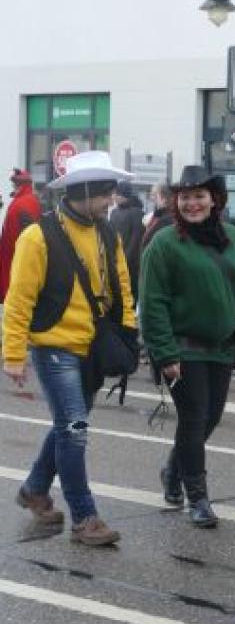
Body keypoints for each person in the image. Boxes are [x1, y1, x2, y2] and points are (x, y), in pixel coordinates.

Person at [2, 151, 136, 546]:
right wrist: (13, 354)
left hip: (92, 349)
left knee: (67, 426)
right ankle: (85, 518)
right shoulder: (37, 236)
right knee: (74, 430)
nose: (114, 198)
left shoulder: (106, 233)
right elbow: (19, 299)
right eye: (109, 191)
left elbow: (122, 288)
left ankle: (34, 490)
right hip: (55, 349)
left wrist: (129, 333)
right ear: (89, 190)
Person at [139, 164, 235, 527]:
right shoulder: (164, 243)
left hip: (222, 349)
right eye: (185, 197)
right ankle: (198, 498)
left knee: (210, 417)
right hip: (184, 350)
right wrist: (164, 353)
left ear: (215, 200)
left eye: (199, 196)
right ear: (176, 202)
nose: (192, 203)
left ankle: (172, 471)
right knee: (194, 419)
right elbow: (153, 303)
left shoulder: (233, 241)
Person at [0, 167, 42, 303]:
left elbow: (30, 234)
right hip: (12, 257)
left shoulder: (24, 203)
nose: (14, 187)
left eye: (16, 185)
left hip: (17, 259)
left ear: (22, 185)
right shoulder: (27, 201)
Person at [108, 180, 145, 305]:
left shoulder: (137, 213)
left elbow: (136, 239)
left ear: (123, 195)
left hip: (131, 262)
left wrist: (125, 260)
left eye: (116, 194)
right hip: (116, 259)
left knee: (131, 291)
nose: (114, 197)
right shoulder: (114, 212)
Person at [141, 182, 174, 252]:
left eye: (155, 195)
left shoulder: (166, 219)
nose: (152, 198)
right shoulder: (158, 215)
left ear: (164, 198)